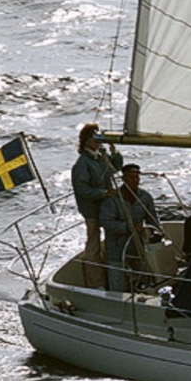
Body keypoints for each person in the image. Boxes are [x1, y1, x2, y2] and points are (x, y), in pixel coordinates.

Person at [71, 123, 123, 288]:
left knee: (111, 238)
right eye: (94, 137)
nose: (98, 141)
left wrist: (114, 151)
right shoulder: (82, 164)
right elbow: (82, 189)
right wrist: (104, 193)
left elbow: (115, 168)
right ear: (86, 140)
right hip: (92, 209)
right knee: (93, 244)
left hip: (106, 207)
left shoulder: (101, 156)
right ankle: (96, 283)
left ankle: (112, 274)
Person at [99, 164, 159, 293]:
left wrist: (154, 233)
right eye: (131, 177)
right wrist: (128, 227)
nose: (135, 180)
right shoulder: (112, 200)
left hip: (138, 246)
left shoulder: (145, 197)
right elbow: (106, 222)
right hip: (116, 248)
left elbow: (153, 220)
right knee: (117, 287)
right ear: (123, 178)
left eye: (137, 177)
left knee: (145, 279)